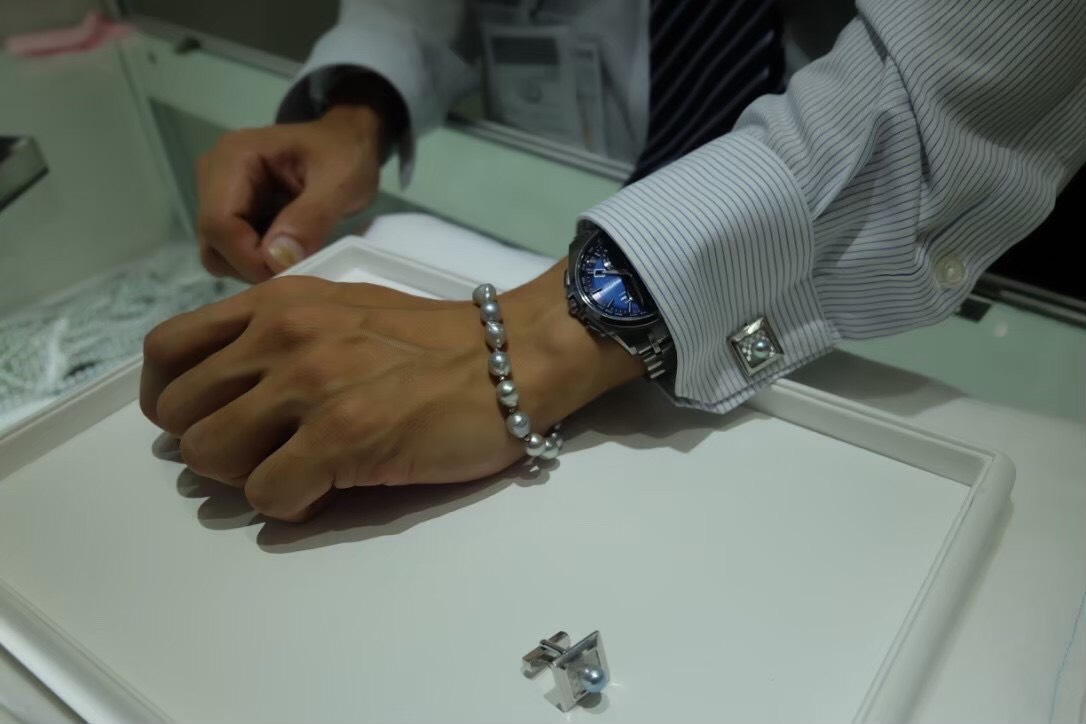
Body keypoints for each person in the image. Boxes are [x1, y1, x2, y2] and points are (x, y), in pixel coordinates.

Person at [140, 0, 1086, 522]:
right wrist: (363, 102)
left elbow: (985, 44)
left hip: (913, 235)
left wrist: (551, 328)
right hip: (576, 166)